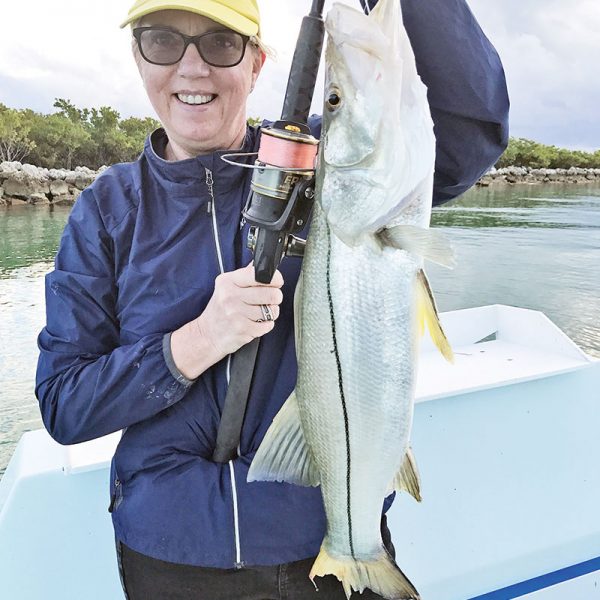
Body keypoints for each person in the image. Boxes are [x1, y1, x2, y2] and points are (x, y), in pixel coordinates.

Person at [35, 0, 509, 598]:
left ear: (257, 64)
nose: (192, 68)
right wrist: (192, 345)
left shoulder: (323, 163)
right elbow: (64, 404)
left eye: (219, 44)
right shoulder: (105, 212)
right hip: (170, 556)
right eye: (161, 41)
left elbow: (471, 128)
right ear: (137, 57)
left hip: (321, 543)